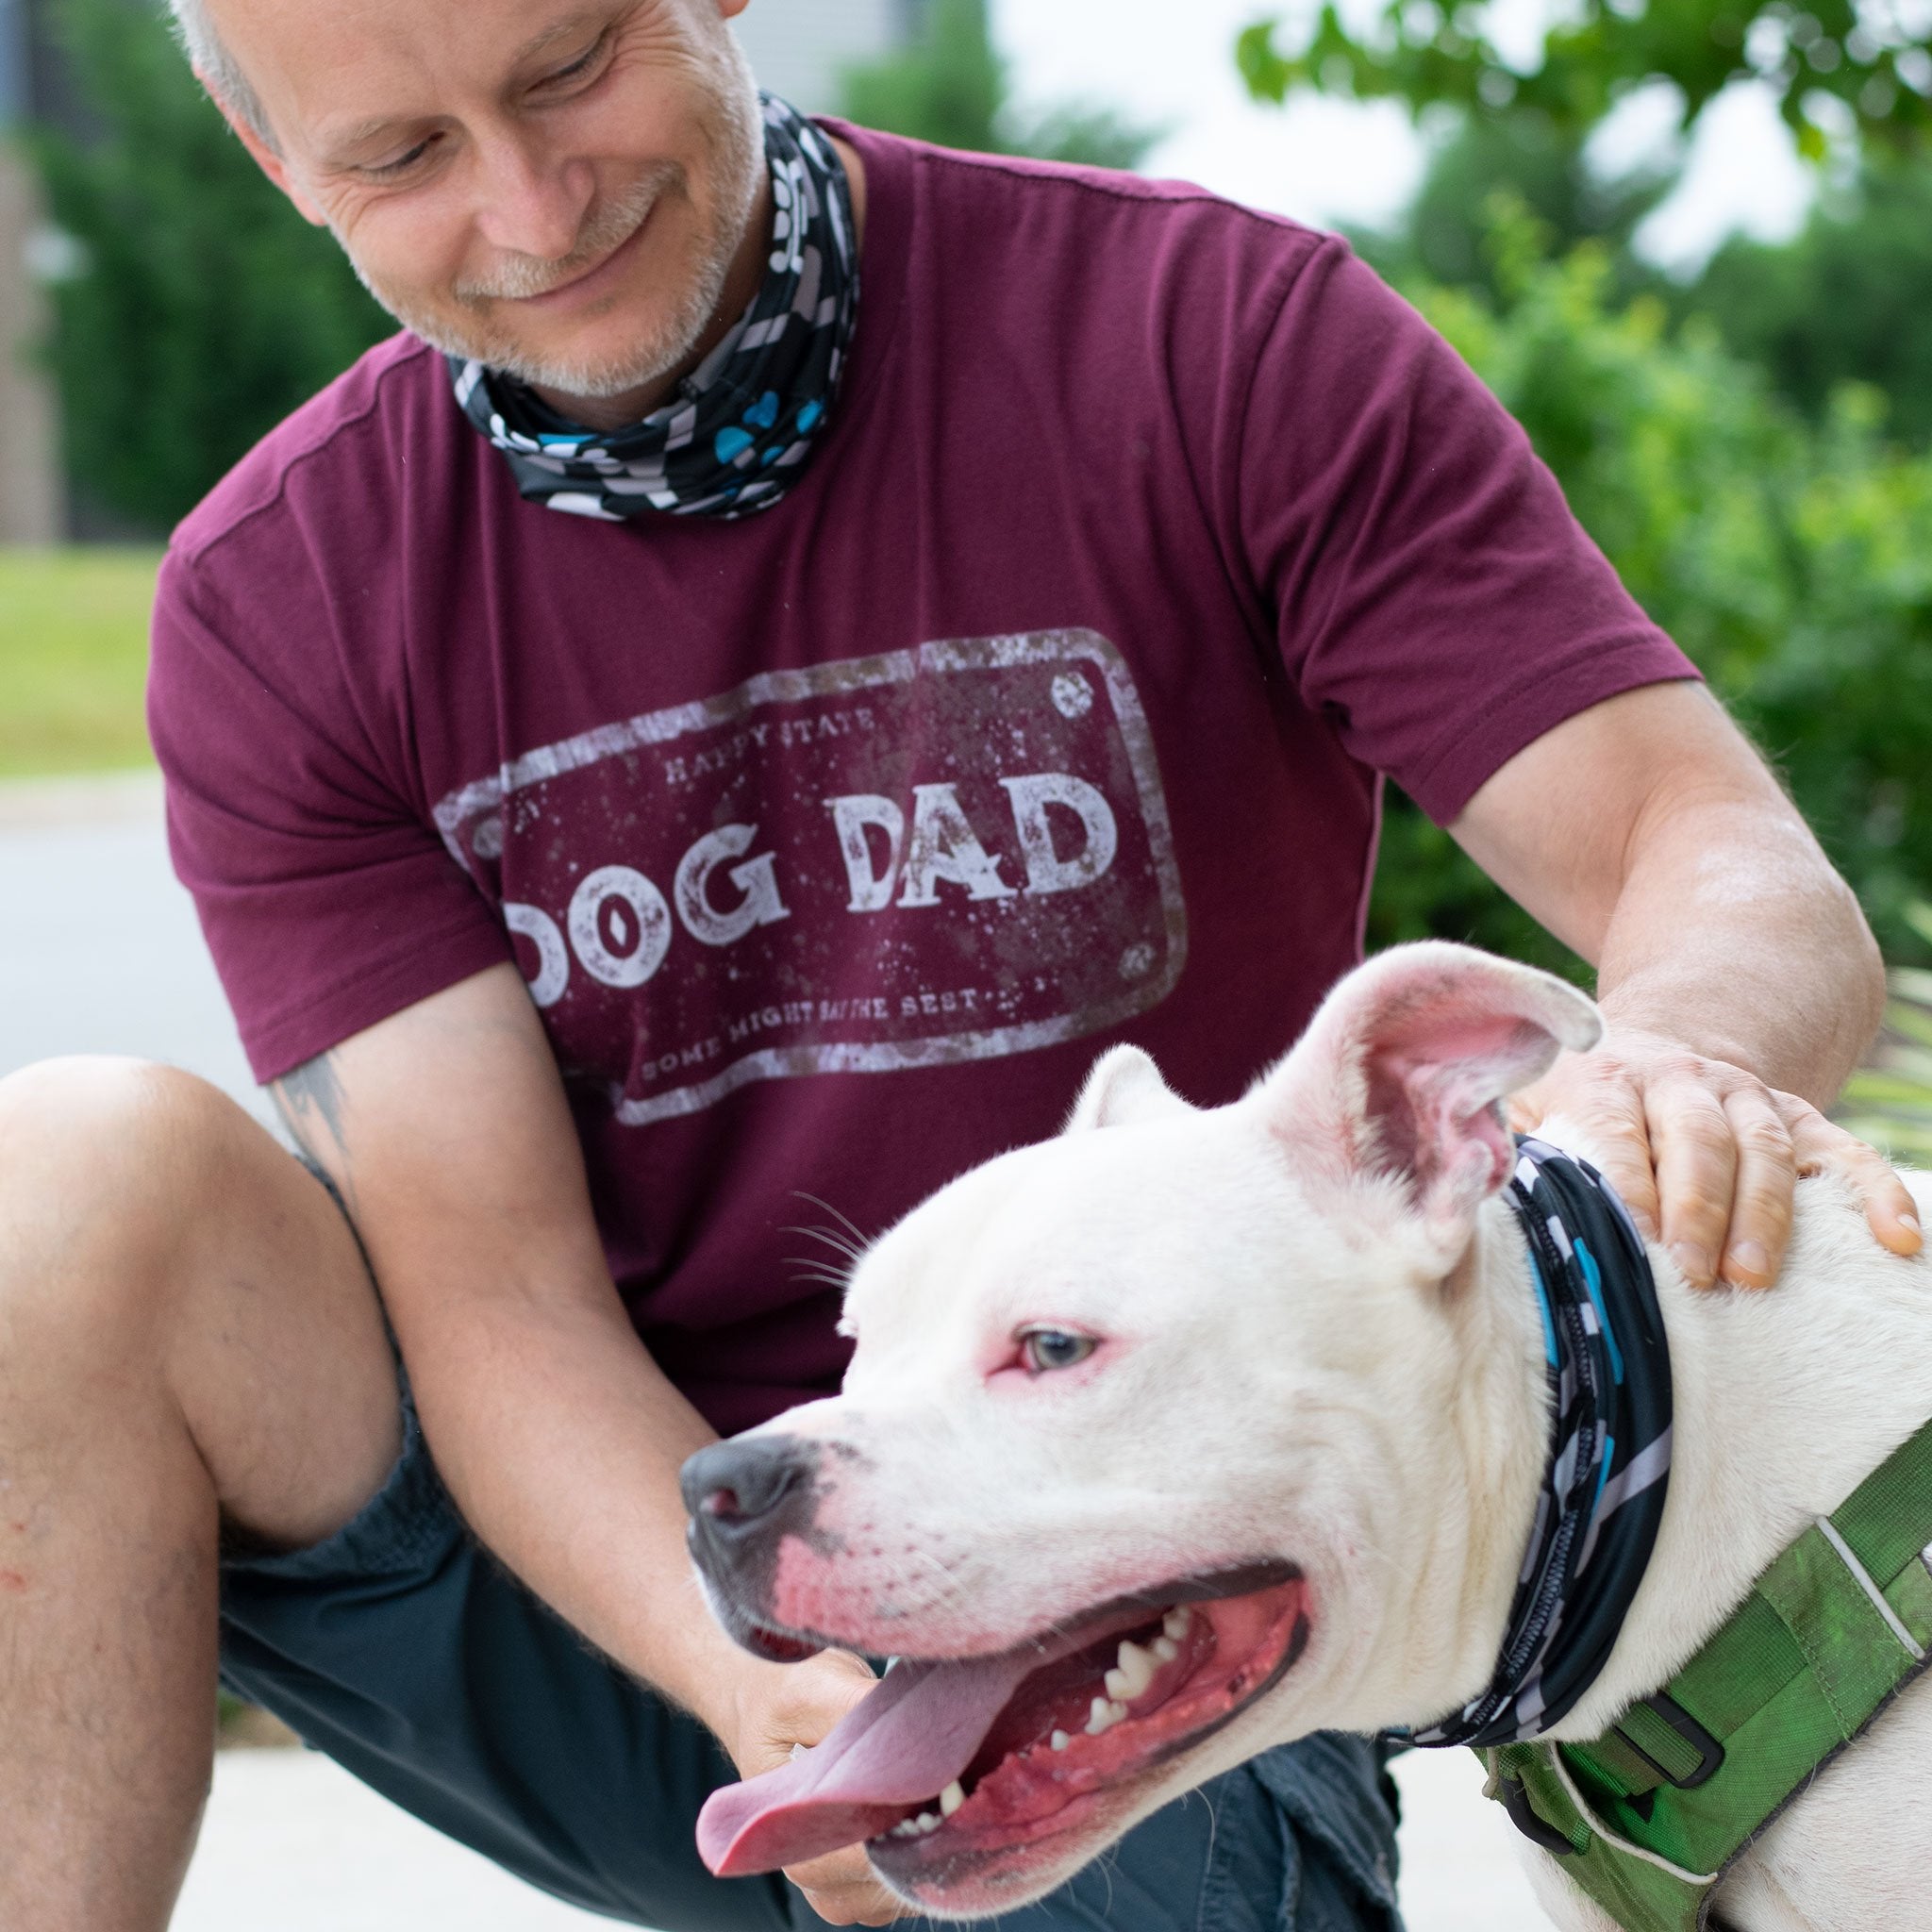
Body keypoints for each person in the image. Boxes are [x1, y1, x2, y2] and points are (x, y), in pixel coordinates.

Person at [0, 1, 1919, 1928]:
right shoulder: (286, 597)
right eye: (400, 159)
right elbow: (492, 1298)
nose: (528, 203)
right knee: (68, 1189)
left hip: (1146, 1588)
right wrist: (766, 1679)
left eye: (573, 65)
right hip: (649, 1579)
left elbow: (1713, 856)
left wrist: (1675, 1059)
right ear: (279, 164)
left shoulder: (1203, 336)